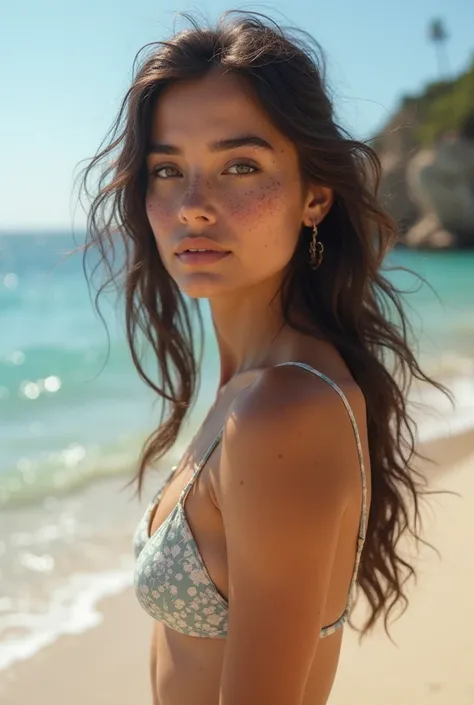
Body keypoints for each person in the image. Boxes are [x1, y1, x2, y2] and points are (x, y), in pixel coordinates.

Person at [79, 11, 448, 705]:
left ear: (314, 197)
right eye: (167, 169)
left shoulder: (285, 412)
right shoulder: (259, 387)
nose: (192, 206)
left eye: (240, 165)